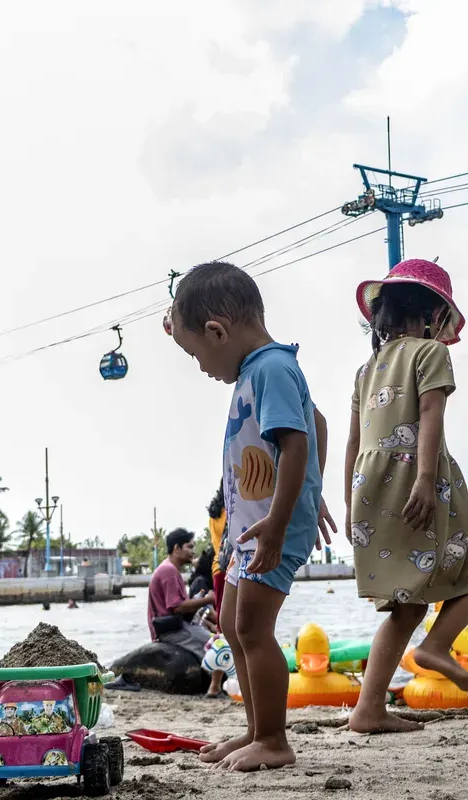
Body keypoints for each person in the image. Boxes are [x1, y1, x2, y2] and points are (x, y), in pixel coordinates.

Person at [166, 261, 334, 771]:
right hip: (252, 524)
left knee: (254, 628)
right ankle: (257, 729)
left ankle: (275, 740)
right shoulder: (256, 370)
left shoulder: (270, 369)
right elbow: (318, 421)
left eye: (196, 354)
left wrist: (287, 517)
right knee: (234, 626)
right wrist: (313, 489)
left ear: (218, 331)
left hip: (270, 526)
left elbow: (297, 441)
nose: (201, 367)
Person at [343, 258, 468, 735]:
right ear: (434, 314)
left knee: (405, 605)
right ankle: (435, 646)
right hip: (417, 479)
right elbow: (431, 414)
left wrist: (349, 504)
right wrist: (426, 480)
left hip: (369, 488)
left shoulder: (366, 369)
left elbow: (354, 441)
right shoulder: (430, 354)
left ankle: (368, 709)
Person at [146, 528, 215, 661]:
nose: (193, 551)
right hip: (171, 630)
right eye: (189, 547)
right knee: (216, 648)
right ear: (177, 548)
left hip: (175, 627)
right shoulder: (168, 570)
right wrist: (207, 600)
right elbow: (177, 607)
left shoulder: (170, 569)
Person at [208, 482, 229, 618]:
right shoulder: (233, 511)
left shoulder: (213, 514)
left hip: (217, 567)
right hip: (233, 569)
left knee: (222, 617)